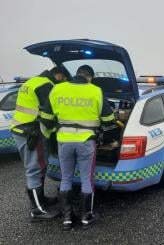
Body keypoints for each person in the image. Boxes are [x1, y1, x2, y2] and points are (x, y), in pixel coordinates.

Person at [40, 65, 114, 230]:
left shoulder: (58, 89)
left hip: (64, 142)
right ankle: (85, 218)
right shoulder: (95, 91)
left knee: (66, 178)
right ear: (89, 77)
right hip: (86, 141)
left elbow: (45, 118)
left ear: (77, 74)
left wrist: (55, 130)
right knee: (86, 179)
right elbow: (109, 119)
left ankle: (67, 219)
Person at [10, 67, 67, 222]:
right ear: (59, 75)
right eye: (63, 79)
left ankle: (41, 200)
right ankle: (37, 211)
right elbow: (51, 111)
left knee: (38, 167)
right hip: (31, 132)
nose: (62, 82)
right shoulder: (46, 85)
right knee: (35, 169)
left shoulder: (32, 81)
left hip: (21, 128)